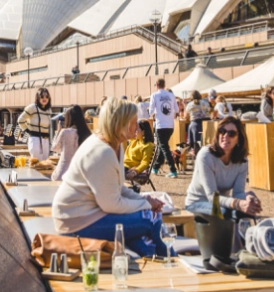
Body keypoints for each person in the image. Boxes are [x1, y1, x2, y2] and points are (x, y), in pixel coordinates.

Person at [52, 97, 170, 258]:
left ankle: (156, 258)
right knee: (151, 220)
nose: (137, 126)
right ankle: (170, 260)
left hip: (88, 214)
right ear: (121, 123)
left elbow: (118, 188)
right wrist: (146, 204)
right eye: (134, 122)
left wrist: (144, 199)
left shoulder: (114, 145)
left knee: (141, 232)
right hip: (75, 221)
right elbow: (112, 204)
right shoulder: (102, 151)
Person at [185, 116, 262, 216]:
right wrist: (238, 204)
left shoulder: (242, 160)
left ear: (239, 139)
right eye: (222, 131)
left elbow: (237, 193)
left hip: (222, 204)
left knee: (244, 213)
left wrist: (248, 197)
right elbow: (212, 197)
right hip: (197, 203)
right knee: (224, 213)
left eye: (231, 133)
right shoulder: (206, 156)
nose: (225, 136)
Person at [51, 105, 91, 181]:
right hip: (80, 175)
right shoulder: (87, 134)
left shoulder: (65, 132)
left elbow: (55, 148)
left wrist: (58, 131)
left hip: (63, 172)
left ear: (69, 118)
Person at [150, 78, 179, 178]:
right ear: (164, 85)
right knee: (163, 146)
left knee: (164, 147)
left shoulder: (154, 95)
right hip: (170, 125)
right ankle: (156, 167)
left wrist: (155, 112)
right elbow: (177, 109)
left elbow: (151, 111)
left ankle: (173, 170)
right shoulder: (171, 95)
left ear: (157, 85)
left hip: (160, 125)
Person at [17, 88, 53, 161]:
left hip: (46, 139)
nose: (44, 98)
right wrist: (29, 131)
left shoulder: (48, 110)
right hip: (35, 139)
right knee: (36, 162)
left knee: (45, 163)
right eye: (42, 96)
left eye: (47, 97)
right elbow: (20, 120)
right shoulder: (32, 107)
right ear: (38, 97)